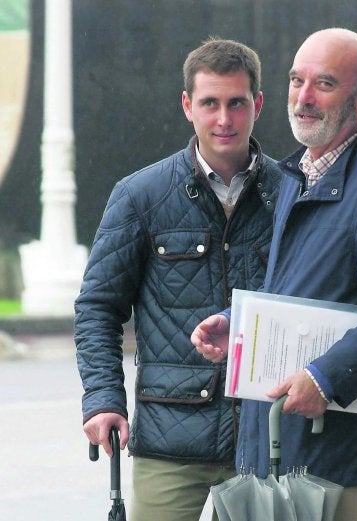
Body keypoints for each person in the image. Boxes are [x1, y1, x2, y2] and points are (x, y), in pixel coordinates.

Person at [191, 28, 357, 521]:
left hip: (335, 462)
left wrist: (324, 379)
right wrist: (237, 321)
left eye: (324, 84)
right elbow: (297, 289)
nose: (303, 98)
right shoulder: (294, 176)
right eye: (296, 81)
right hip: (276, 446)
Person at [74, 38, 282, 521]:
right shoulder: (140, 195)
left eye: (237, 103)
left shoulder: (288, 196)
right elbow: (98, 307)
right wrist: (103, 399)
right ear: (188, 105)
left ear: (259, 105)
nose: (224, 119)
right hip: (169, 441)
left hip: (265, 439)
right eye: (210, 103)